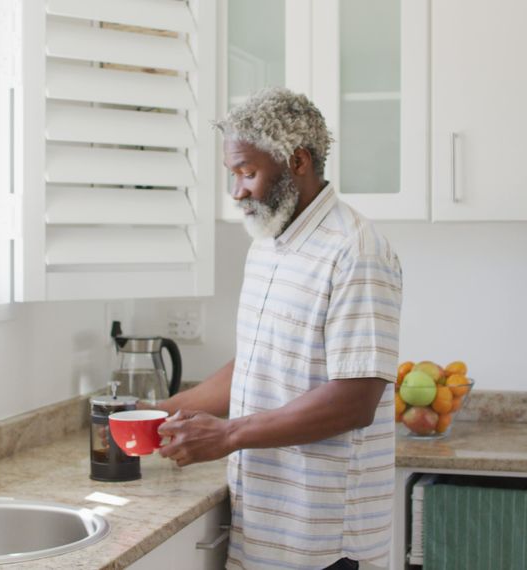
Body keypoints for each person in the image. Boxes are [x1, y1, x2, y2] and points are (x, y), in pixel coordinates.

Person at [153, 87, 403, 570]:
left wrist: (227, 435)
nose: (237, 191)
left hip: (325, 542)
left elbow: (355, 400)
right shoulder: (269, 242)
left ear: (298, 161)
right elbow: (257, 364)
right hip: (264, 529)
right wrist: (157, 414)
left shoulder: (356, 250)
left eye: (249, 173)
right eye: (233, 175)